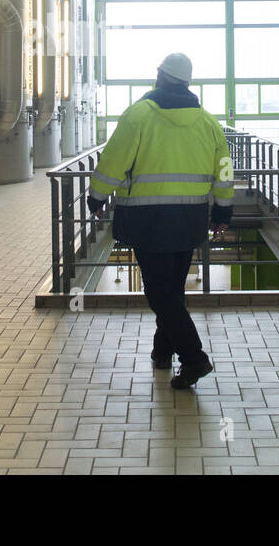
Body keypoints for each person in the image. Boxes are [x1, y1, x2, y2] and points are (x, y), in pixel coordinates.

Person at [87, 53, 234, 390]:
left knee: (159, 293)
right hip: (190, 219)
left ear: (159, 77)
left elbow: (113, 161)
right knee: (171, 290)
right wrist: (224, 211)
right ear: (186, 83)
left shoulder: (138, 116)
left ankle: (194, 358)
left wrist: (96, 196)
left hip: (148, 219)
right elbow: (224, 172)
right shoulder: (209, 123)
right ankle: (161, 351)